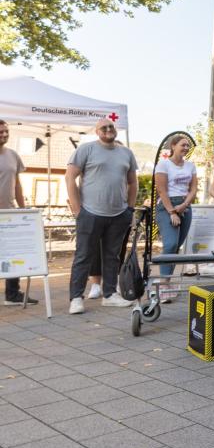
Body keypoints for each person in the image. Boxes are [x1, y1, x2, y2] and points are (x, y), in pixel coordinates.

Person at [65, 118, 138, 314]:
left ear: (116, 130)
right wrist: (77, 209)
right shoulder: (86, 149)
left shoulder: (126, 153)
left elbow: (133, 183)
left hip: (118, 214)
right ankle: (76, 298)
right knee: (83, 256)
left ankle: (109, 295)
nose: (108, 129)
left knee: (112, 256)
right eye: (104, 127)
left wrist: (129, 209)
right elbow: (70, 177)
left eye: (111, 126)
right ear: (97, 131)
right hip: (90, 213)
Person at [154, 135, 198, 294]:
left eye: (188, 146)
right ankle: (163, 284)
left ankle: (167, 282)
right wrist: (172, 211)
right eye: (183, 145)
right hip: (167, 206)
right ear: (173, 146)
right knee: (170, 244)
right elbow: (161, 190)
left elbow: (193, 189)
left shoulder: (190, 166)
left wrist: (184, 205)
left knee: (176, 246)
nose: (186, 148)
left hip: (185, 206)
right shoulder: (164, 164)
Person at [0, 120, 37, 306]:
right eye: (1, 132)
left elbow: (17, 184)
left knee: (13, 254)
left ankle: (12, 294)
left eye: (6, 131)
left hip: (9, 214)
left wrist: (23, 209)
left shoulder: (13, 155)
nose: (4, 134)